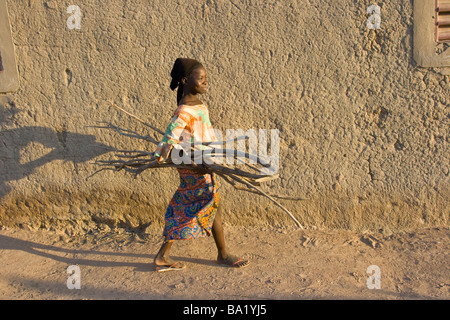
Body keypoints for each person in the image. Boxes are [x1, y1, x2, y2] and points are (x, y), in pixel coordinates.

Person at [152, 58, 250, 272]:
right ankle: (217, 254)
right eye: (202, 78)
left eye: (207, 78)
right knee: (193, 206)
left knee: (207, 204)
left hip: (202, 162)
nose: (206, 82)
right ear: (186, 80)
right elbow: (171, 135)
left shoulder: (198, 105)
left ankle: (219, 253)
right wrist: (162, 153)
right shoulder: (185, 110)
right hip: (194, 166)